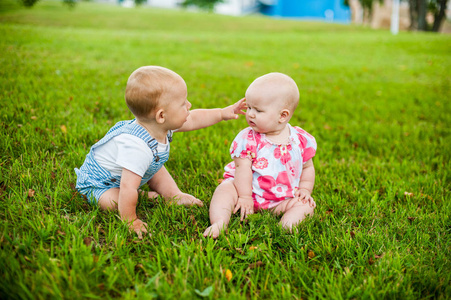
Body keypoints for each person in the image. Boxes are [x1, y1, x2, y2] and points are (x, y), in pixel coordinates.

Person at [75, 66, 246, 239]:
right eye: (183, 104)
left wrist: (223, 113)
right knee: (113, 202)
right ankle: (138, 199)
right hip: (99, 184)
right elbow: (128, 186)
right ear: (161, 116)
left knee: (156, 165)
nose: (189, 105)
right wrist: (131, 220)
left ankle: (174, 195)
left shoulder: (158, 126)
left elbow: (194, 118)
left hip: (130, 173)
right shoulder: (137, 148)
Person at [203, 72, 317, 239]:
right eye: (249, 107)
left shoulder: (300, 139)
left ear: (282, 115)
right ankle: (219, 221)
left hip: (281, 200)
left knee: (306, 205)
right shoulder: (248, 139)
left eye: (258, 110)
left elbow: (308, 166)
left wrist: (305, 189)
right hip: (246, 191)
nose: (250, 114)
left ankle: (287, 226)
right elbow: (243, 169)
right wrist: (244, 196)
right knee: (225, 189)